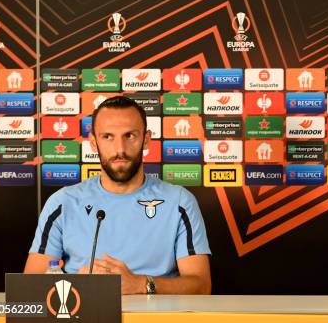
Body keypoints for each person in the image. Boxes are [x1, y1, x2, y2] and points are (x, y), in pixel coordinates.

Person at [24, 96, 211, 294]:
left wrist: (140, 284)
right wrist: (76, 284)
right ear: (94, 143)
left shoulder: (179, 201)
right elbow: (30, 286)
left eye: (129, 135)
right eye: (108, 137)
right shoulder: (62, 203)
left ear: (146, 139)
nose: (120, 149)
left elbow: (201, 286)